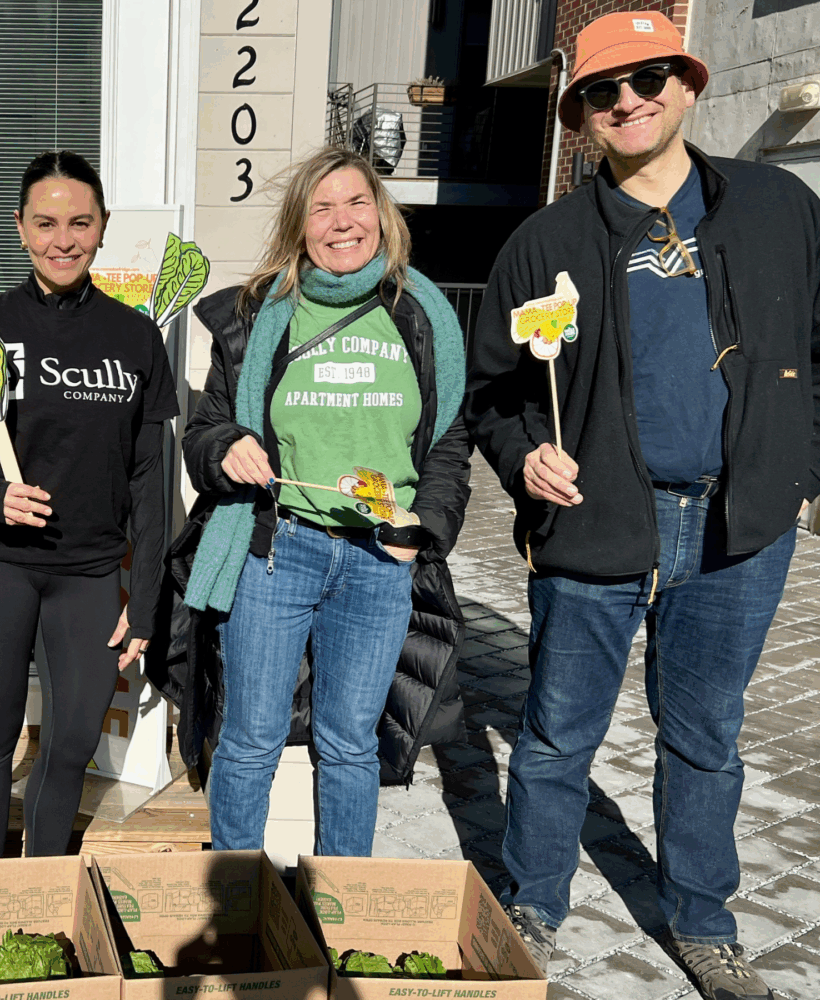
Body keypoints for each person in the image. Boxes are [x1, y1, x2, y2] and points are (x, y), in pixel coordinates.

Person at [464, 13, 820, 999]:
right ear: (578, 114)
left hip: (738, 525)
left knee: (705, 733)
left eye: (650, 77)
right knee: (556, 730)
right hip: (596, 519)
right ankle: (534, 903)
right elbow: (492, 391)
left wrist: (799, 467)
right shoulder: (547, 243)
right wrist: (525, 454)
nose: (629, 100)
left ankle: (704, 921)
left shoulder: (777, 206)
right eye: (604, 90)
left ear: (690, 84)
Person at [181, 146, 472, 856]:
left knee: (349, 746)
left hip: (381, 557)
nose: (342, 222)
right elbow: (204, 430)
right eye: (323, 208)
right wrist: (223, 447)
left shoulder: (423, 316)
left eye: (357, 203)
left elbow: (448, 442)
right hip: (279, 551)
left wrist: (424, 528)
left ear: (382, 215)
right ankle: (240, 906)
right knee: (250, 739)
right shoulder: (257, 317)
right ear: (299, 224)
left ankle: (339, 915)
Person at [0, 151, 180, 858]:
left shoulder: (134, 338)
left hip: (91, 573)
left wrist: (150, 597)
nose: (62, 239)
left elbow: (149, 479)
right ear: (19, 228)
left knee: (70, 742)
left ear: (102, 229)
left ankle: (41, 891)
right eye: (45, 223)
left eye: (79, 222)